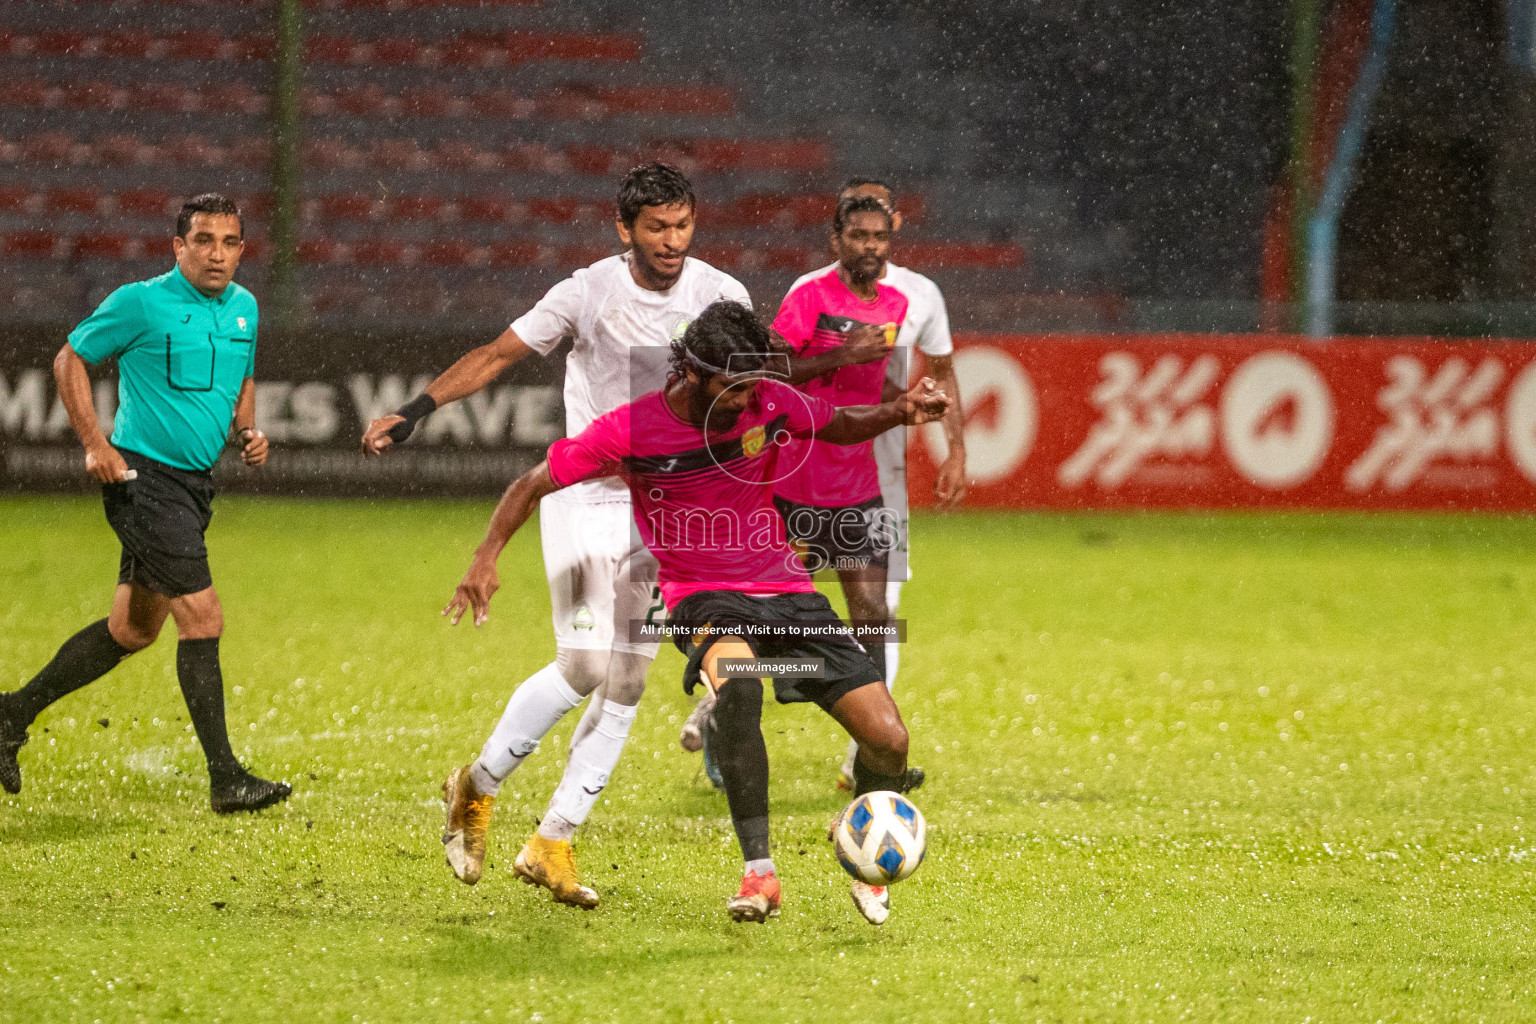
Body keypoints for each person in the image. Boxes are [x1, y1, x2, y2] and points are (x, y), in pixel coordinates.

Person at [442, 301, 948, 924]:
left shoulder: (767, 400)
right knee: (738, 691)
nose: (748, 399)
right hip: (700, 597)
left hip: (788, 592)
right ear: (692, 374)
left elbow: (838, 423)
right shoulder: (632, 429)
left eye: (753, 384)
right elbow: (531, 483)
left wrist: (904, 411)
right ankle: (759, 875)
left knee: (889, 739)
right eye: (734, 387)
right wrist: (485, 557)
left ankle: (870, 869)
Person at [359, 162, 750, 908]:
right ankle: (475, 787)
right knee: (584, 666)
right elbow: (498, 356)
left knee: (628, 683)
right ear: (624, 229)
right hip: (584, 498)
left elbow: (742, 397)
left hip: (662, 512)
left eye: (683, 225)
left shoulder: (721, 296)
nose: (672, 241)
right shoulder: (587, 292)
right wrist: (417, 407)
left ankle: (554, 841)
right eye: (656, 227)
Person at [0, 193, 290, 813]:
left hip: (193, 486)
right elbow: (69, 358)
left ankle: (9, 714)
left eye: (230, 242)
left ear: (242, 249)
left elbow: (242, 379)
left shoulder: (245, 308)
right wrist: (94, 443)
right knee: (203, 619)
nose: (217, 254)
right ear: (177, 246)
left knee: (132, 630)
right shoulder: (140, 302)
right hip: (143, 482)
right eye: (204, 241)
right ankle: (225, 778)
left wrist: (247, 432)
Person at [682, 181, 968, 790]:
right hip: (787, 481)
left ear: (893, 238)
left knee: (873, 613)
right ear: (836, 238)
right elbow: (774, 370)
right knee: (761, 621)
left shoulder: (899, 303)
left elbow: (867, 392)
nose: (870, 247)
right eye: (858, 236)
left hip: (859, 483)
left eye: (879, 236)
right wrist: (839, 357)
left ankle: (870, 754)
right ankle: (718, 715)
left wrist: (915, 408)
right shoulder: (809, 295)